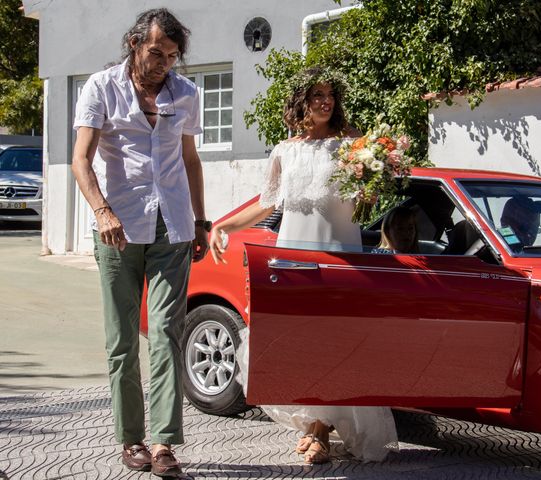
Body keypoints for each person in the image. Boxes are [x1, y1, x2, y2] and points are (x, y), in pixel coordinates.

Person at [209, 66, 397, 464]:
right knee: (302, 341)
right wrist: (223, 223)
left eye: (330, 95)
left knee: (336, 339)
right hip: (293, 256)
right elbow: (266, 204)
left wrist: (371, 184)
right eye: (316, 95)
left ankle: (320, 432)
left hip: (338, 254)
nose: (325, 101)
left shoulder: (353, 144)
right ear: (301, 102)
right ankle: (315, 426)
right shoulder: (284, 151)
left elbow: (367, 203)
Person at [71, 9, 208, 478]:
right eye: (156, 53)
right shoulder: (100, 87)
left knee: (167, 335)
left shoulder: (187, 94)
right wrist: (102, 211)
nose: (163, 64)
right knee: (122, 341)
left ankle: (165, 442)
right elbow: (80, 161)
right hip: (119, 228)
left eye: (171, 56)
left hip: (172, 226)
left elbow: (190, 160)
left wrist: (202, 220)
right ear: (134, 43)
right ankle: (130, 439)